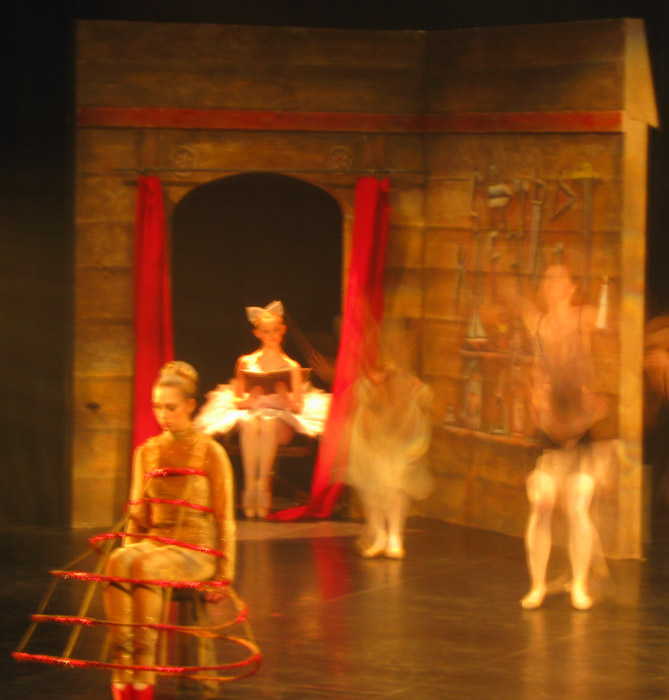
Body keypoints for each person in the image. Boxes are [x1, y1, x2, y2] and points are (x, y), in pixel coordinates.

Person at [104, 361, 236, 700]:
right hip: (156, 542)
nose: (163, 415)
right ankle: (123, 676)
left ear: (190, 405)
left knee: (144, 566)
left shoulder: (210, 451)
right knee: (117, 562)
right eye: (157, 407)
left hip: (196, 548)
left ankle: (143, 679)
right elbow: (137, 516)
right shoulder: (147, 452)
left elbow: (225, 518)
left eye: (171, 407)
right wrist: (126, 553)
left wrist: (224, 575)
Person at [515, 265, 610, 610]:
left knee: (577, 503)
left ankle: (580, 583)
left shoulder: (585, 316)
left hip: (582, 425)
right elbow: (536, 369)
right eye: (548, 278)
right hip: (551, 425)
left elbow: (607, 334)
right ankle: (537, 584)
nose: (553, 283)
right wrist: (534, 397)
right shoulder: (539, 324)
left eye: (560, 278)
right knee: (541, 503)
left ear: (571, 287)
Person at [196, 301, 330, 518]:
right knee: (251, 423)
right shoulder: (246, 362)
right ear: (257, 333)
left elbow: (297, 406)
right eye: (266, 331)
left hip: (281, 418)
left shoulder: (291, 366)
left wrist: (284, 396)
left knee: (267, 423)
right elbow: (237, 400)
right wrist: (250, 400)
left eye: (275, 330)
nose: (271, 335)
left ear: (282, 330)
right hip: (253, 413)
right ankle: (250, 486)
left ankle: (263, 484)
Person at [346, 356, 433, 559]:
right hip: (372, 443)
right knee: (371, 488)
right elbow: (365, 423)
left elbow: (424, 401)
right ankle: (379, 535)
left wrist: (412, 391)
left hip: (400, 443)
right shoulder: (367, 389)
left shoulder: (409, 388)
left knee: (398, 485)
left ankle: (395, 536)